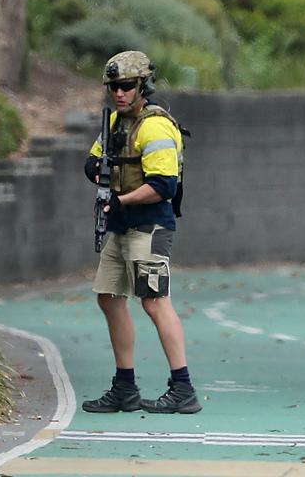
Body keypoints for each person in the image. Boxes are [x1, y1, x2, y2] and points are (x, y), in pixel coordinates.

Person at [82, 50, 201, 414]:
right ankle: (125, 386)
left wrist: (122, 200)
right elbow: (95, 160)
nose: (119, 93)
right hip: (119, 225)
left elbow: (163, 184)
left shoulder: (155, 126)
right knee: (109, 296)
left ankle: (183, 387)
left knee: (154, 300)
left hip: (150, 225)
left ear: (142, 86)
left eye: (126, 86)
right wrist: (95, 169)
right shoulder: (115, 123)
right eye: (113, 87)